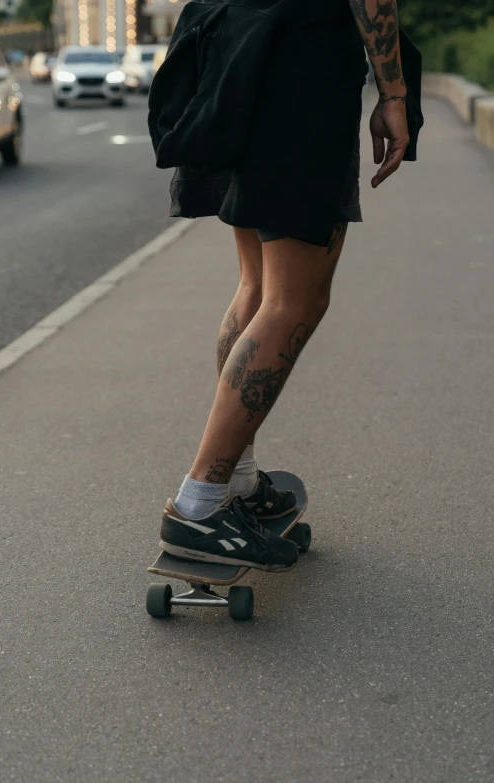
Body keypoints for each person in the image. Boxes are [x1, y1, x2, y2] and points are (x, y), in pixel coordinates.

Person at [158, 0, 413, 571]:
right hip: (299, 63)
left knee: (257, 285)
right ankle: (199, 504)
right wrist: (392, 92)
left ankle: (238, 484)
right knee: (294, 298)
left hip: (232, 44)